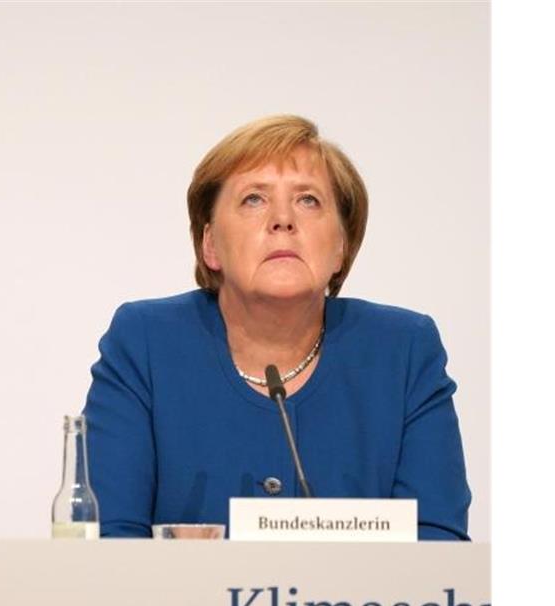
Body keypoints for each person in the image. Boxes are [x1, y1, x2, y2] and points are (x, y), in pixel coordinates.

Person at [83, 115, 470, 540]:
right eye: (253, 199)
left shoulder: (403, 351)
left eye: (308, 200)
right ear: (210, 244)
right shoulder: (145, 343)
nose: (283, 219)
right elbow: (109, 543)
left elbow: (438, 549)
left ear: (341, 245)